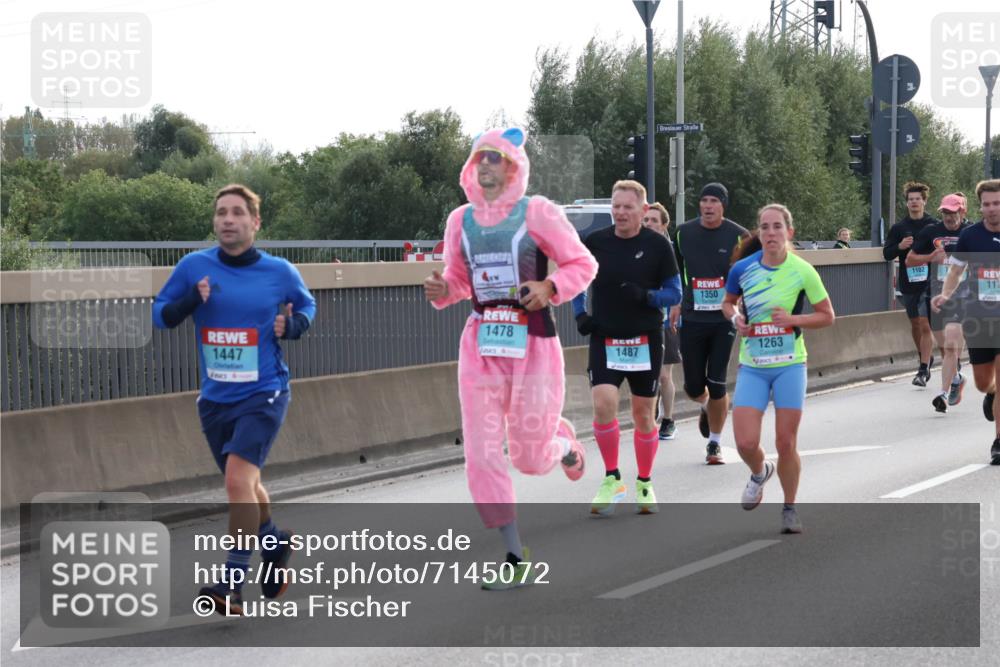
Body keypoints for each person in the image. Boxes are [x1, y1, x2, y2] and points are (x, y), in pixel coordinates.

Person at [423, 127, 598, 588]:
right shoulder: (460, 220)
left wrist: (550, 287)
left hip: (532, 344)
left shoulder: (537, 212)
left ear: (514, 166)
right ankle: (514, 554)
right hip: (480, 344)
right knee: (481, 452)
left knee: (529, 458)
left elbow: (583, 264)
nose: (485, 166)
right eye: (479, 158)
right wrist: (445, 289)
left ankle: (563, 444)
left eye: (495, 158)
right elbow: (460, 281)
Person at [153, 184, 317, 615]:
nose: (228, 219)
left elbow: (308, 307)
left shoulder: (279, 271)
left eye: (238, 213)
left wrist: (293, 325)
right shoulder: (194, 267)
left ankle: (230, 584)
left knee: (236, 482)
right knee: (247, 483)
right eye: (221, 212)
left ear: (255, 223)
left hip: (265, 392)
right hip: (215, 397)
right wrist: (192, 299)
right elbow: (161, 315)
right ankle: (275, 543)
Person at [721, 204, 835, 534]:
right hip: (754, 366)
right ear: (759, 233)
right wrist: (735, 319)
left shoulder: (802, 271)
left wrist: (793, 320)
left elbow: (827, 315)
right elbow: (727, 303)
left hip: (789, 365)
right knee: (744, 442)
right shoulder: (742, 269)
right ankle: (759, 472)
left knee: (786, 442)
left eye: (777, 227)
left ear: (789, 232)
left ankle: (789, 507)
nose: (771, 234)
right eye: (765, 228)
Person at [573, 185, 681, 516]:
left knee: (643, 414)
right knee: (603, 405)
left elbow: (674, 293)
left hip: (645, 338)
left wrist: (647, 297)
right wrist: (580, 314)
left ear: (642, 208)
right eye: (615, 207)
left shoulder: (658, 245)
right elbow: (576, 279)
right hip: (605, 337)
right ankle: (612, 478)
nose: (620, 213)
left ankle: (645, 483)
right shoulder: (596, 242)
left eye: (627, 208)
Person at [671, 183, 751, 464]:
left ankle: (714, 444)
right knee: (693, 386)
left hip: (723, 318)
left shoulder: (739, 235)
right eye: (703, 200)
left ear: (723, 205)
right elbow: (675, 269)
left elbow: (749, 271)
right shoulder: (683, 233)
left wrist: (742, 302)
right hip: (692, 316)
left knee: (717, 383)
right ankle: (706, 406)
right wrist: (677, 301)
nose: (707, 206)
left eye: (713, 201)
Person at [931, 179, 1000, 465]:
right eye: (987, 204)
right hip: (979, 317)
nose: (992, 209)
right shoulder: (970, 236)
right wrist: (946, 294)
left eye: (997, 203)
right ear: (980, 206)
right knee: (984, 383)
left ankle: (998, 442)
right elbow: (956, 271)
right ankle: (991, 393)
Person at [907, 193, 971, 413]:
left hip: (963, 296)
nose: (948, 217)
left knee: (952, 345)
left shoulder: (971, 233)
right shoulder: (930, 232)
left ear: (962, 212)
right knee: (944, 346)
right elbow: (909, 259)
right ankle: (956, 378)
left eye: (953, 213)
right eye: (945, 212)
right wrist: (930, 256)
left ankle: (942, 394)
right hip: (934, 294)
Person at [883, 181, 939, 386]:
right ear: (906, 203)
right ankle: (925, 356)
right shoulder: (899, 228)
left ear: (924, 201)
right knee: (915, 323)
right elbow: (887, 254)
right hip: (909, 282)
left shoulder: (933, 225)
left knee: (925, 323)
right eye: (911, 200)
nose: (914, 202)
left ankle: (923, 369)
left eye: (918, 199)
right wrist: (899, 246)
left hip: (930, 281)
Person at [641, 202, 683, 441]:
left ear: (664, 225)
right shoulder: (636, 247)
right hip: (641, 321)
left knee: (664, 375)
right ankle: (650, 410)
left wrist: (677, 305)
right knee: (648, 374)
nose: (648, 225)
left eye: (654, 221)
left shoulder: (670, 251)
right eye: (646, 220)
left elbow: (679, 285)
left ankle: (668, 420)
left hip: (667, 320)